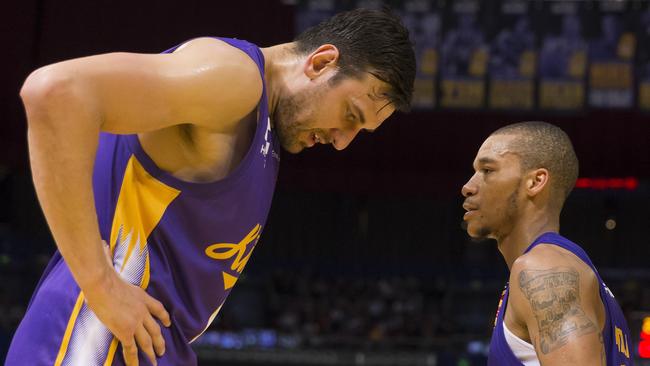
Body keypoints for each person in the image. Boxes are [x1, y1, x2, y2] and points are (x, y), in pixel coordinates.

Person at [8, 8, 415, 366]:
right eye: (350, 114)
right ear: (322, 62)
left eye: (360, 131)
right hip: (94, 344)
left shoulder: (263, 125)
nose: (343, 141)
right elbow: (56, 93)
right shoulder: (234, 79)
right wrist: (99, 284)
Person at [461, 122, 633, 365]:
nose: (468, 187)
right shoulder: (559, 266)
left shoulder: (543, 271)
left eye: (488, 171)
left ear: (536, 181)